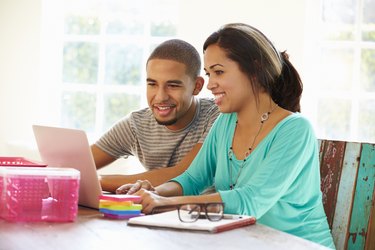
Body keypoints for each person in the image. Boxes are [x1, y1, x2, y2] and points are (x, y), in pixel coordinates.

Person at [117, 23, 335, 248]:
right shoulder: (225, 123)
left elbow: (250, 201)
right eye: (208, 74)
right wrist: (153, 192)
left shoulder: (295, 130)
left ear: (255, 70)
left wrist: (164, 203)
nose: (210, 85)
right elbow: (193, 179)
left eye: (219, 72)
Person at [92, 39, 220, 193]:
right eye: (152, 84)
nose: (160, 97)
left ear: (197, 86)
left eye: (173, 86)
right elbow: (75, 165)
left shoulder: (217, 116)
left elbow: (185, 175)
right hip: (159, 213)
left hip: (204, 215)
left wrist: (97, 181)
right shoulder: (136, 125)